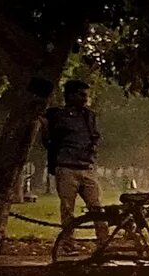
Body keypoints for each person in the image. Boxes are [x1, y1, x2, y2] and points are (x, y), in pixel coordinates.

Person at [42, 81, 106, 235]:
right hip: (66, 167)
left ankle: (104, 242)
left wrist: (92, 151)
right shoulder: (56, 115)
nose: (85, 99)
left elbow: (95, 137)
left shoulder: (89, 116)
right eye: (81, 95)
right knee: (67, 209)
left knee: (97, 207)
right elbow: (48, 139)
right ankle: (68, 243)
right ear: (70, 96)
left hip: (86, 167)